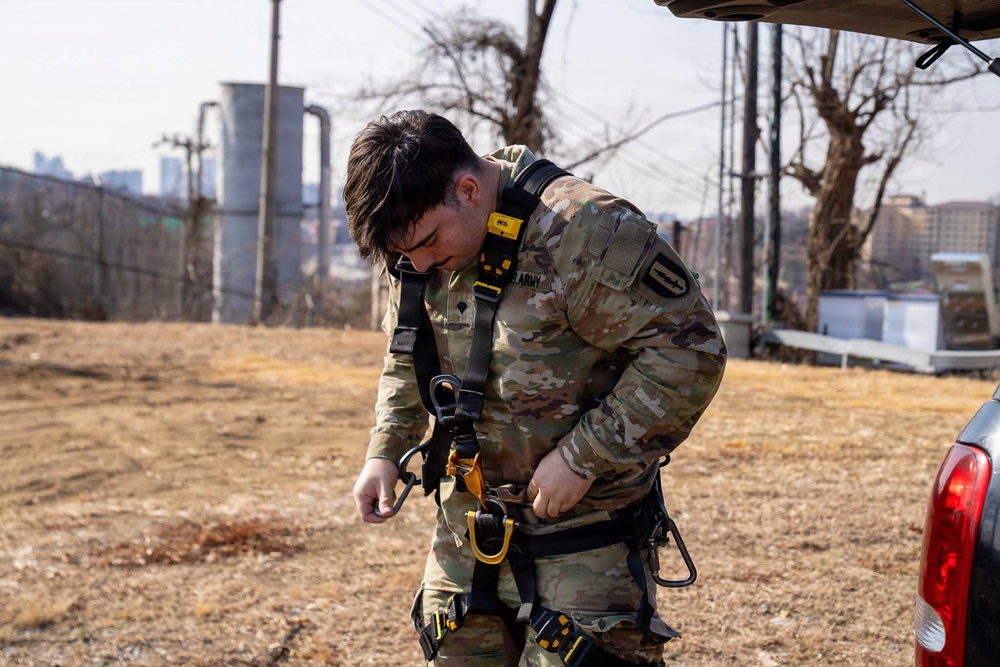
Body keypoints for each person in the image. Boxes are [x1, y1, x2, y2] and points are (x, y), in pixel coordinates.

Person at [346, 109, 726, 667]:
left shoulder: (588, 230)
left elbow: (689, 352)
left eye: (427, 243)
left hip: (585, 544)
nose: (419, 264)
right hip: (466, 538)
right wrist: (386, 448)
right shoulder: (415, 242)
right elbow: (408, 351)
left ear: (468, 190)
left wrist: (584, 456)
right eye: (405, 256)